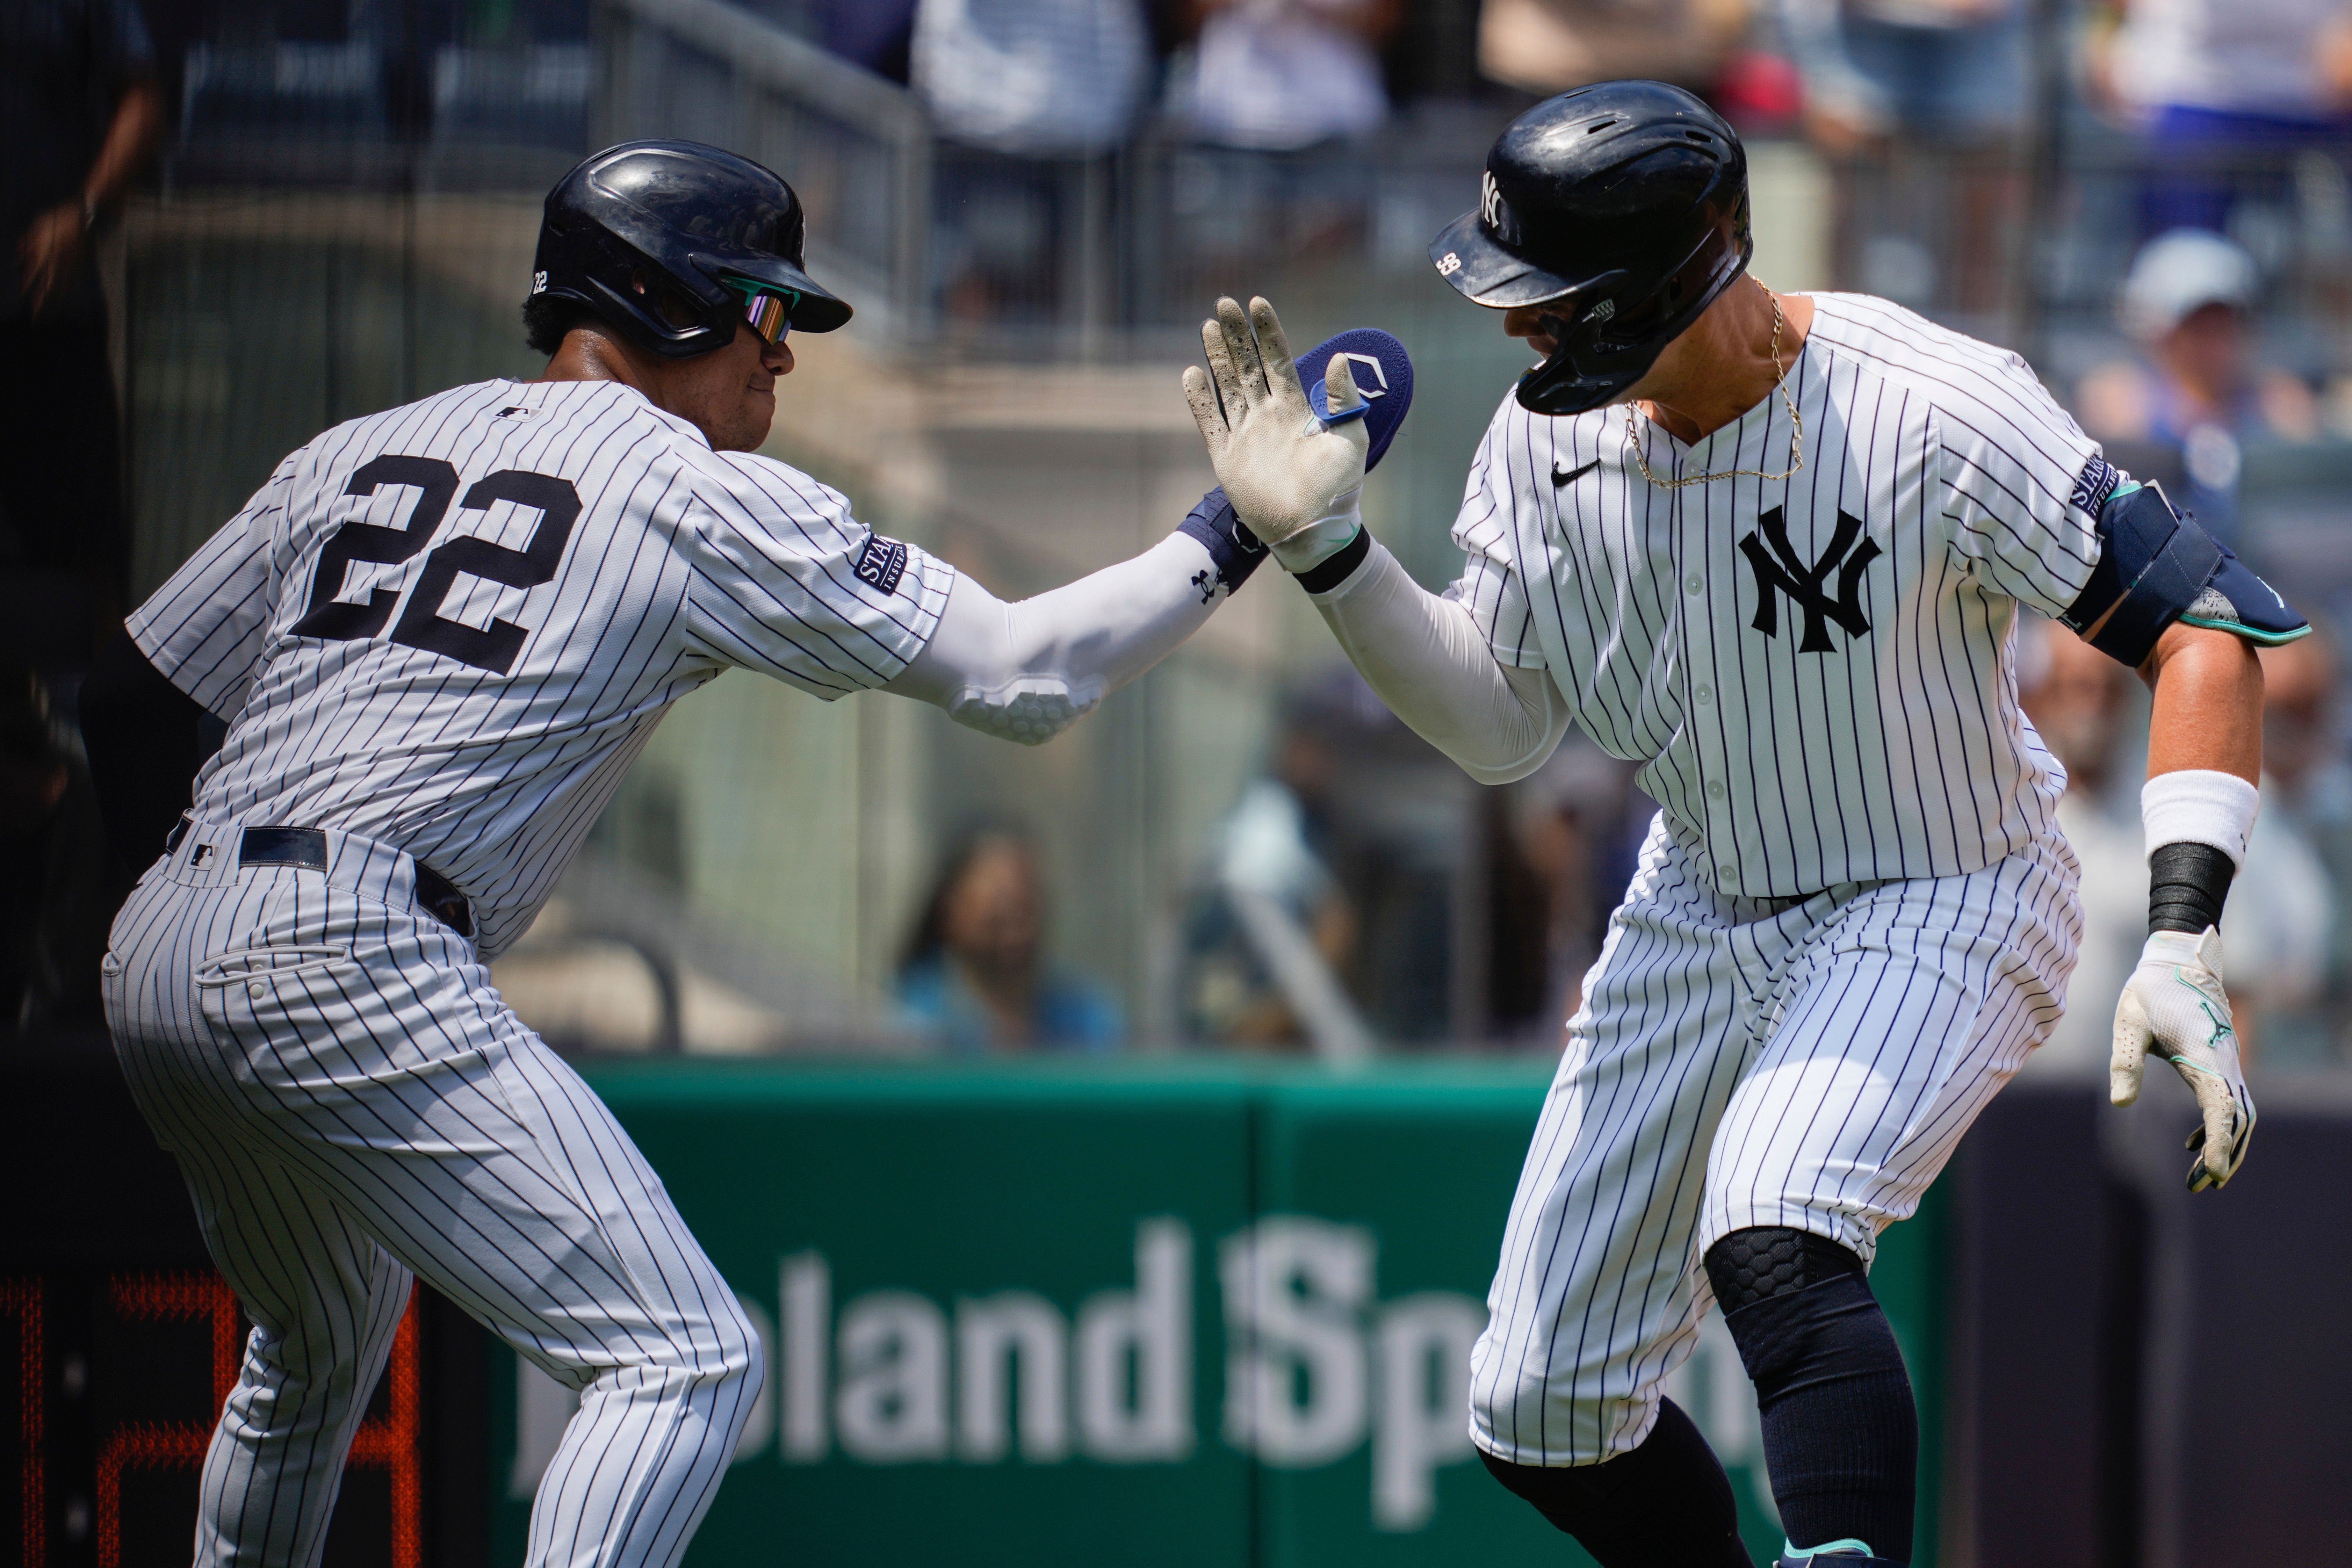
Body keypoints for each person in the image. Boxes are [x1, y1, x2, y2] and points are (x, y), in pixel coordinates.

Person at [77, 139, 1340, 1565]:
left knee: (308, 1357)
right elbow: (1024, 671)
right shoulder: (679, 487)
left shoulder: (356, 444)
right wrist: (1234, 525)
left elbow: (131, 697)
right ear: (665, 298)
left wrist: (143, 930)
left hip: (167, 940)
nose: (783, 356)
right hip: (351, 940)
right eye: (766, 310)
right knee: (679, 1353)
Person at [1182, 80, 2297, 1567]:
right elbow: (1503, 726)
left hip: (1939, 881)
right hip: (1700, 893)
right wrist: (1330, 554)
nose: (1520, 331)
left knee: (1772, 1222)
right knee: (1540, 1404)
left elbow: (2205, 633)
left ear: (1664, 282)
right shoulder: (1539, 442)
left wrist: (2178, 931)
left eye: (1553, 298)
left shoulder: (1929, 402)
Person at [1, 0, 163, 671]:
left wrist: (86, 212)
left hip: (47, 314)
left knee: (85, 553)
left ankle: (109, 750)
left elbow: (144, 94)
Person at [2073, 229, 2318, 545]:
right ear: (2157, 330)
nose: (2217, 343)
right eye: (2198, 326)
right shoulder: (2119, 400)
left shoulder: (2280, 403)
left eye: (2227, 323)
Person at [896, 824, 1123, 1051]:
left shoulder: (1085, 1018)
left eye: (1026, 910)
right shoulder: (911, 1023)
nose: (1015, 935)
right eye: (997, 917)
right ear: (949, 912)